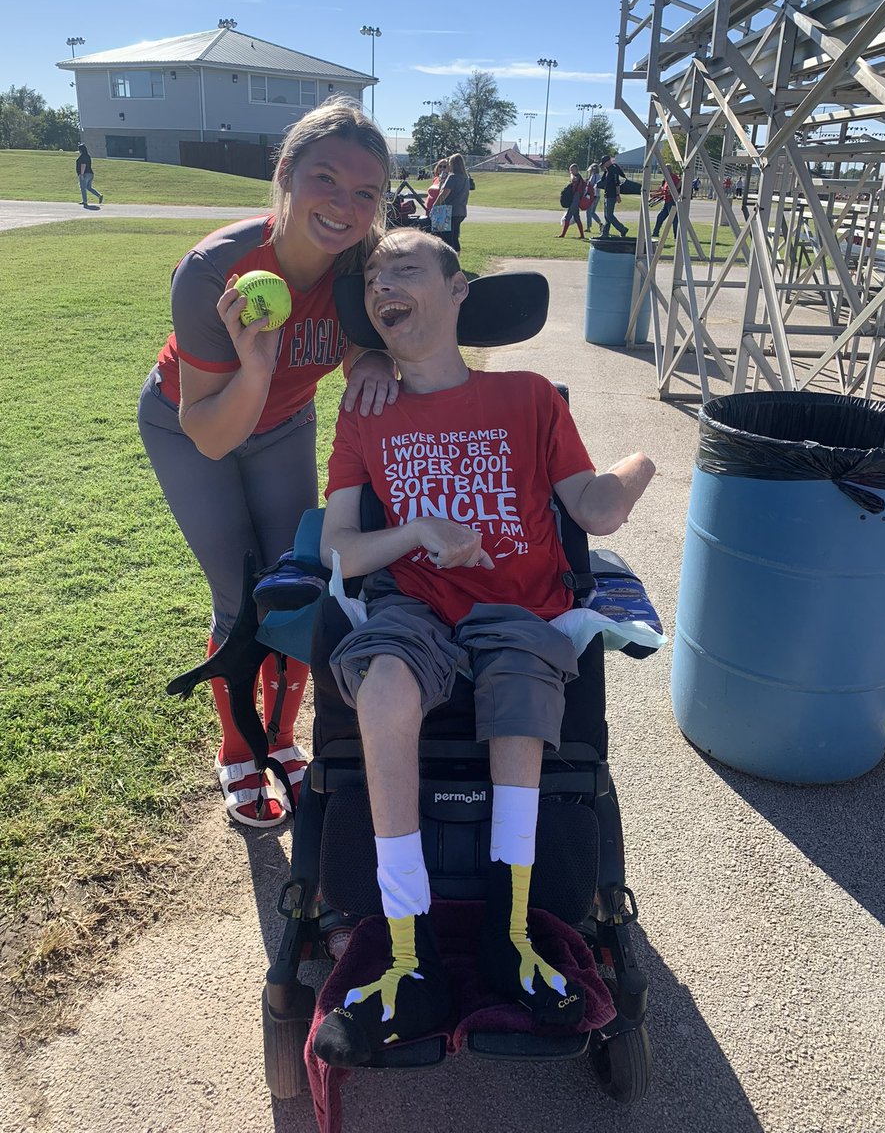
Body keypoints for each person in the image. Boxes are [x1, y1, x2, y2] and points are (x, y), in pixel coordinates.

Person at [313, 228, 655, 1066]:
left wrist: (643, 461)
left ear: (459, 290)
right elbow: (340, 551)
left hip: (514, 605)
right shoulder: (367, 413)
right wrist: (419, 530)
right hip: (416, 605)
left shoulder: (533, 399)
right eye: (371, 276)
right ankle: (406, 948)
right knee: (383, 685)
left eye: (405, 269)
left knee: (522, 686)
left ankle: (512, 934)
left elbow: (593, 505)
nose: (384, 283)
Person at [137, 99, 398, 829]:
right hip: (192, 424)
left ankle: (280, 743)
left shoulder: (360, 265)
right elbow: (211, 432)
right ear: (284, 173)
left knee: (293, 588)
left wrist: (371, 355)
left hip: (283, 424)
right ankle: (237, 749)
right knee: (238, 594)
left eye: (366, 192)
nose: (345, 206)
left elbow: (365, 339)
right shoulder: (215, 268)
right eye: (325, 178)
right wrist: (255, 368)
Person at [433, 152, 470, 252]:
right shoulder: (465, 178)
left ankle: (450, 261)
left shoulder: (452, 177)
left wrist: (435, 205)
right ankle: (457, 259)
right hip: (461, 211)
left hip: (449, 212)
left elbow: (444, 194)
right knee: (454, 237)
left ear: (453, 164)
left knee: (447, 238)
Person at [598, 153, 629, 239]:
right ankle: (605, 233)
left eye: (604, 163)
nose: (603, 165)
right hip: (607, 195)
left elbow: (617, 183)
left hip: (612, 195)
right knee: (606, 216)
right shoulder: (607, 170)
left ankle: (622, 229)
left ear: (608, 162)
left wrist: (618, 195)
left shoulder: (613, 170)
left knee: (609, 216)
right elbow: (603, 181)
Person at [558, 163, 588, 239]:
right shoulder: (577, 177)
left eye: (572, 170)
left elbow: (573, 178)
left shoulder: (577, 177)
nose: (571, 171)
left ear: (576, 170)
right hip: (575, 200)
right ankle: (582, 235)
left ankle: (563, 234)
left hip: (576, 200)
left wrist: (571, 174)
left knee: (568, 217)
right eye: (570, 170)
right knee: (577, 218)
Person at [652, 171, 681, 239]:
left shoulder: (673, 177)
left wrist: (657, 194)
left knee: (674, 219)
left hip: (672, 201)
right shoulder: (667, 179)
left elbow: (670, 191)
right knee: (660, 217)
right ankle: (655, 233)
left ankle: (676, 236)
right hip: (667, 202)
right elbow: (664, 189)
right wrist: (656, 194)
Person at [75, 142, 103, 207]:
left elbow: (83, 165)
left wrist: (81, 174)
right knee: (89, 187)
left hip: (85, 174)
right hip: (90, 174)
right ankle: (99, 195)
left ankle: (85, 201)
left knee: (83, 188)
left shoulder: (83, 156)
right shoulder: (88, 156)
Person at [585, 162, 603, 234]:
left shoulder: (593, 176)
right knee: (592, 212)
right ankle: (600, 224)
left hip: (592, 196)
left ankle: (588, 227)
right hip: (597, 196)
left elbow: (590, 185)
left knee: (588, 212)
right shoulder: (599, 176)